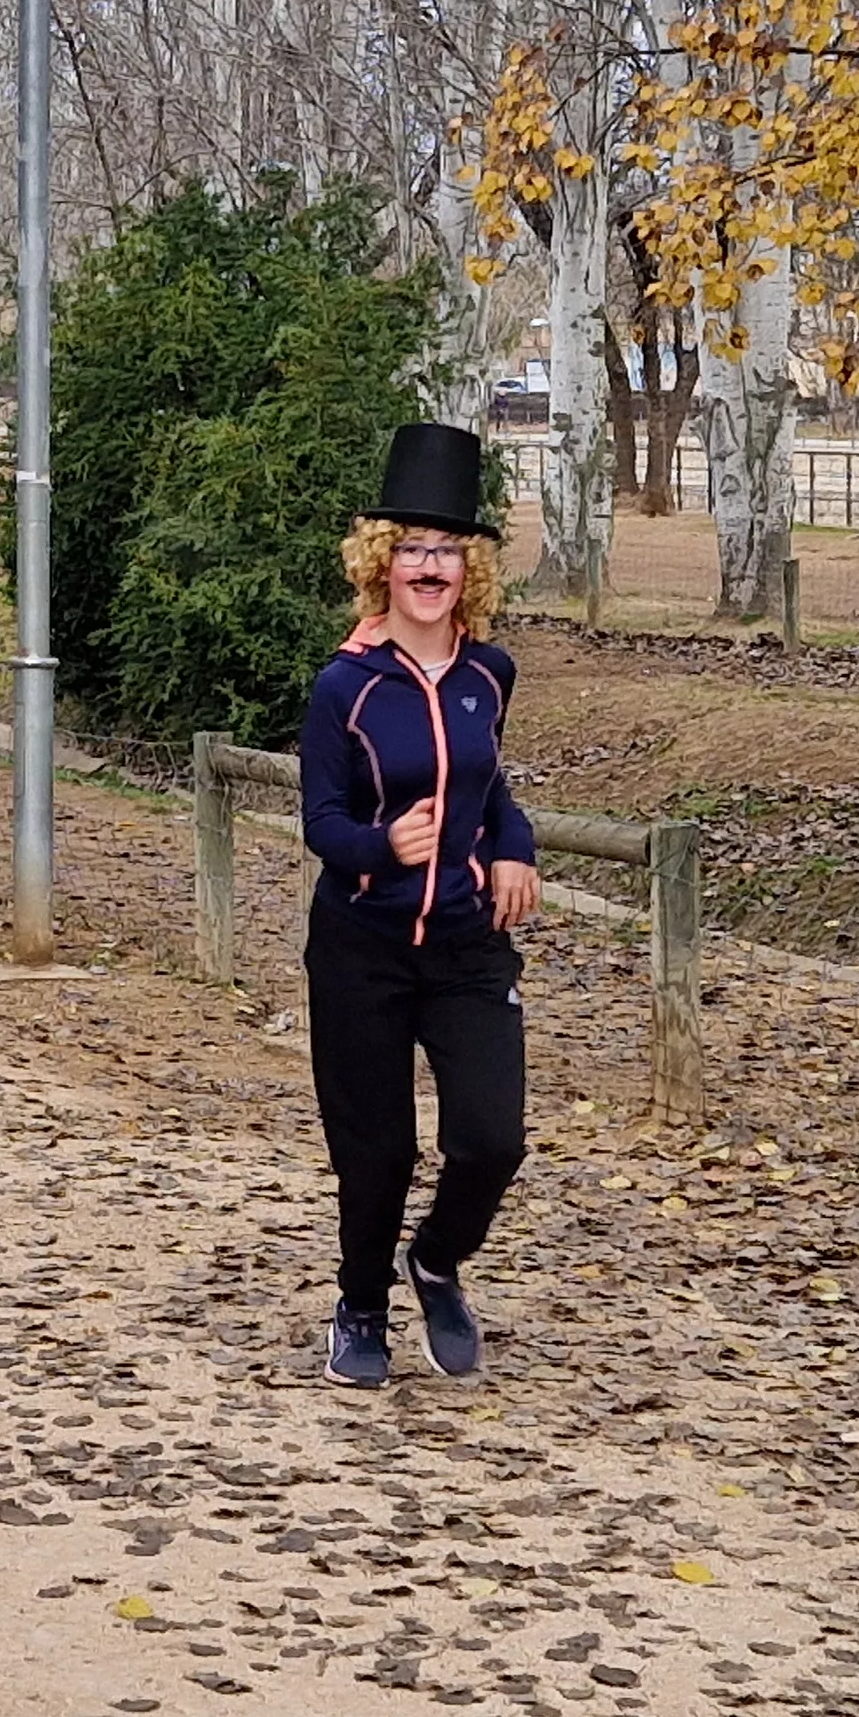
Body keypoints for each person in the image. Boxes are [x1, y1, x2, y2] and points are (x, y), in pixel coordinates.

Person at [294, 421, 541, 1388]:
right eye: (412, 550)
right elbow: (322, 818)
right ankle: (360, 1307)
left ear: (468, 568)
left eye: (446, 550)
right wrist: (380, 844)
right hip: (363, 944)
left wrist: (512, 851)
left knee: (492, 1137)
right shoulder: (343, 687)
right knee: (379, 1148)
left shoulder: (490, 674)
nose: (429, 567)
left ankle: (435, 1260)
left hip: (469, 944)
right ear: (381, 566)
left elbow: (494, 789)